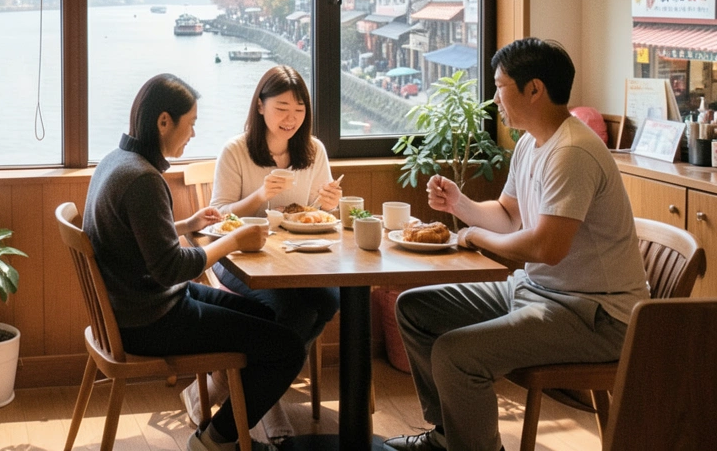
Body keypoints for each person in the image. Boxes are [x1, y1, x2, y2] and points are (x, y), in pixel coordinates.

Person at [385, 39, 649, 451]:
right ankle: (447, 437)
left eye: (499, 86)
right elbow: (510, 215)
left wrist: (473, 236)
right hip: (540, 292)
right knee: (415, 309)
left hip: (597, 316)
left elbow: (546, 248)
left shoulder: (572, 151)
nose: (494, 99)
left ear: (534, 89)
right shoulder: (531, 142)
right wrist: (460, 204)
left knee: (456, 355)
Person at [84, 73, 307, 451]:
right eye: (190, 124)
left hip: (137, 308)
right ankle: (215, 439)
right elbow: (172, 268)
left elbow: (131, 238)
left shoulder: (117, 161)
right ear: (164, 121)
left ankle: (231, 419)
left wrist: (187, 225)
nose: (192, 134)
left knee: (269, 318)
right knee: (288, 349)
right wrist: (234, 240)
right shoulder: (143, 179)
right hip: (150, 321)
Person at [209, 65, 342, 347]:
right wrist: (260, 195)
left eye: (299, 109)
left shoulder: (314, 149)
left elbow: (318, 211)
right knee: (294, 311)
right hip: (237, 256)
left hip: (296, 256)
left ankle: (282, 361)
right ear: (260, 105)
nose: (291, 118)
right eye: (281, 108)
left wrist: (330, 204)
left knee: (331, 299)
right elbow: (217, 216)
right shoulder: (235, 150)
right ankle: (272, 366)